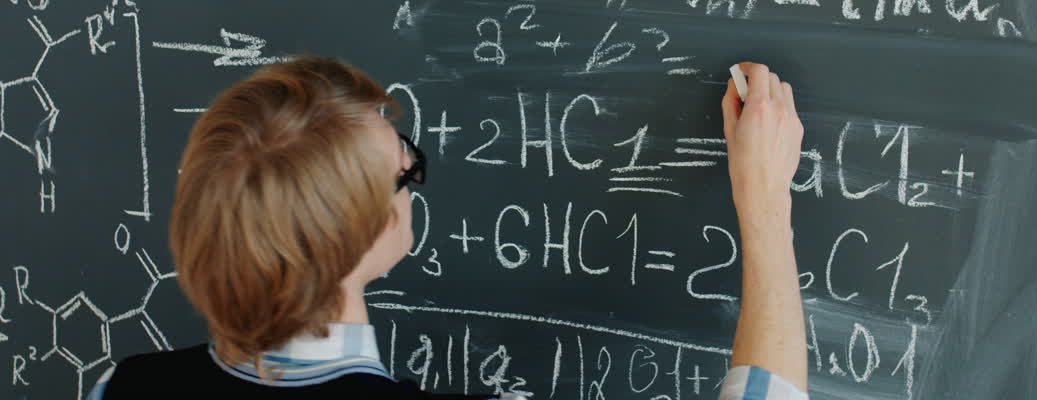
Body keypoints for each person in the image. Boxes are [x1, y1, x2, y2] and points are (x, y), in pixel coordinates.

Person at [88, 56, 807, 399]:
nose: (414, 177)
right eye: (405, 170)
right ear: (365, 236)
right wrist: (765, 201)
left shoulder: (119, 389)